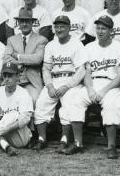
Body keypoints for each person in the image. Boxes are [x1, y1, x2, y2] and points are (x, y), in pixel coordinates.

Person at [33, 15, 87, 155]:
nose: (59, 29)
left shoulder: (77, 44)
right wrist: (50, 85)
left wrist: (67, 86)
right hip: (54, 80)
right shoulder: (51, 45)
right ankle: (41, 139)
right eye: (56, 26)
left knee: (69, 103)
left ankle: (64, 139)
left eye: (62, 26)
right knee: (41, 102)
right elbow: (46, 69)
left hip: (71, 81)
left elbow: (81, 70)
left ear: (69, 28)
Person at [84, 15, 120, 159]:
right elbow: (86, 72)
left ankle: (111, 146)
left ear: (111, 31)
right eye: (98, 28)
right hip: (92, 84)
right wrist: (90, 89)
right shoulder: (89, 47)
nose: (100, 31)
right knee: (74, 99)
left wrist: (104, 91)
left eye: (103, 28)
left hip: (111, 85)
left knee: (110, 104)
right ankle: (75, 142)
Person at [4, 7, 48, 105]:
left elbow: (37, 59)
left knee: (34, 99)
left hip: (31, 82)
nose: (24, 24)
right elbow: (6, 58)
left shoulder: (41, 40)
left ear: (32, 23)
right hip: (13, 80)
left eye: (27, 21)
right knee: (6, 101)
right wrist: (19, 63)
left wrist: (17, 56)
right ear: (18, 23)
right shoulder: (11, 40)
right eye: (22, 21)